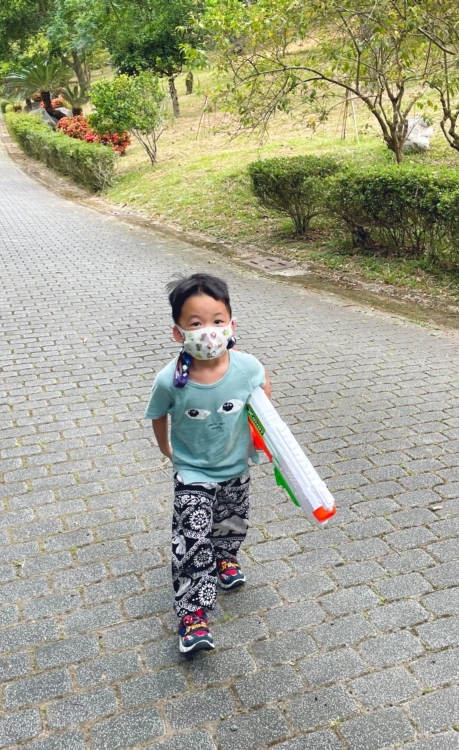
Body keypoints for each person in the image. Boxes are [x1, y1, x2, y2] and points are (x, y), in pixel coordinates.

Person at [145, 274, 271, 655]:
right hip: (193, 473)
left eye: (217, 320)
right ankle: (193, 616)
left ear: (232, 324)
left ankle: (227, 559)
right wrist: (168, 450)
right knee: (192, 541)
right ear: (178, 332)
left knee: (231, 522)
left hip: (235, 467)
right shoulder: (171, 380)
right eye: (196, 324)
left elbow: (264, 405)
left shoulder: (247, 367)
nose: (209, 331)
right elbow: (157, 415)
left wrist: (262, 444)